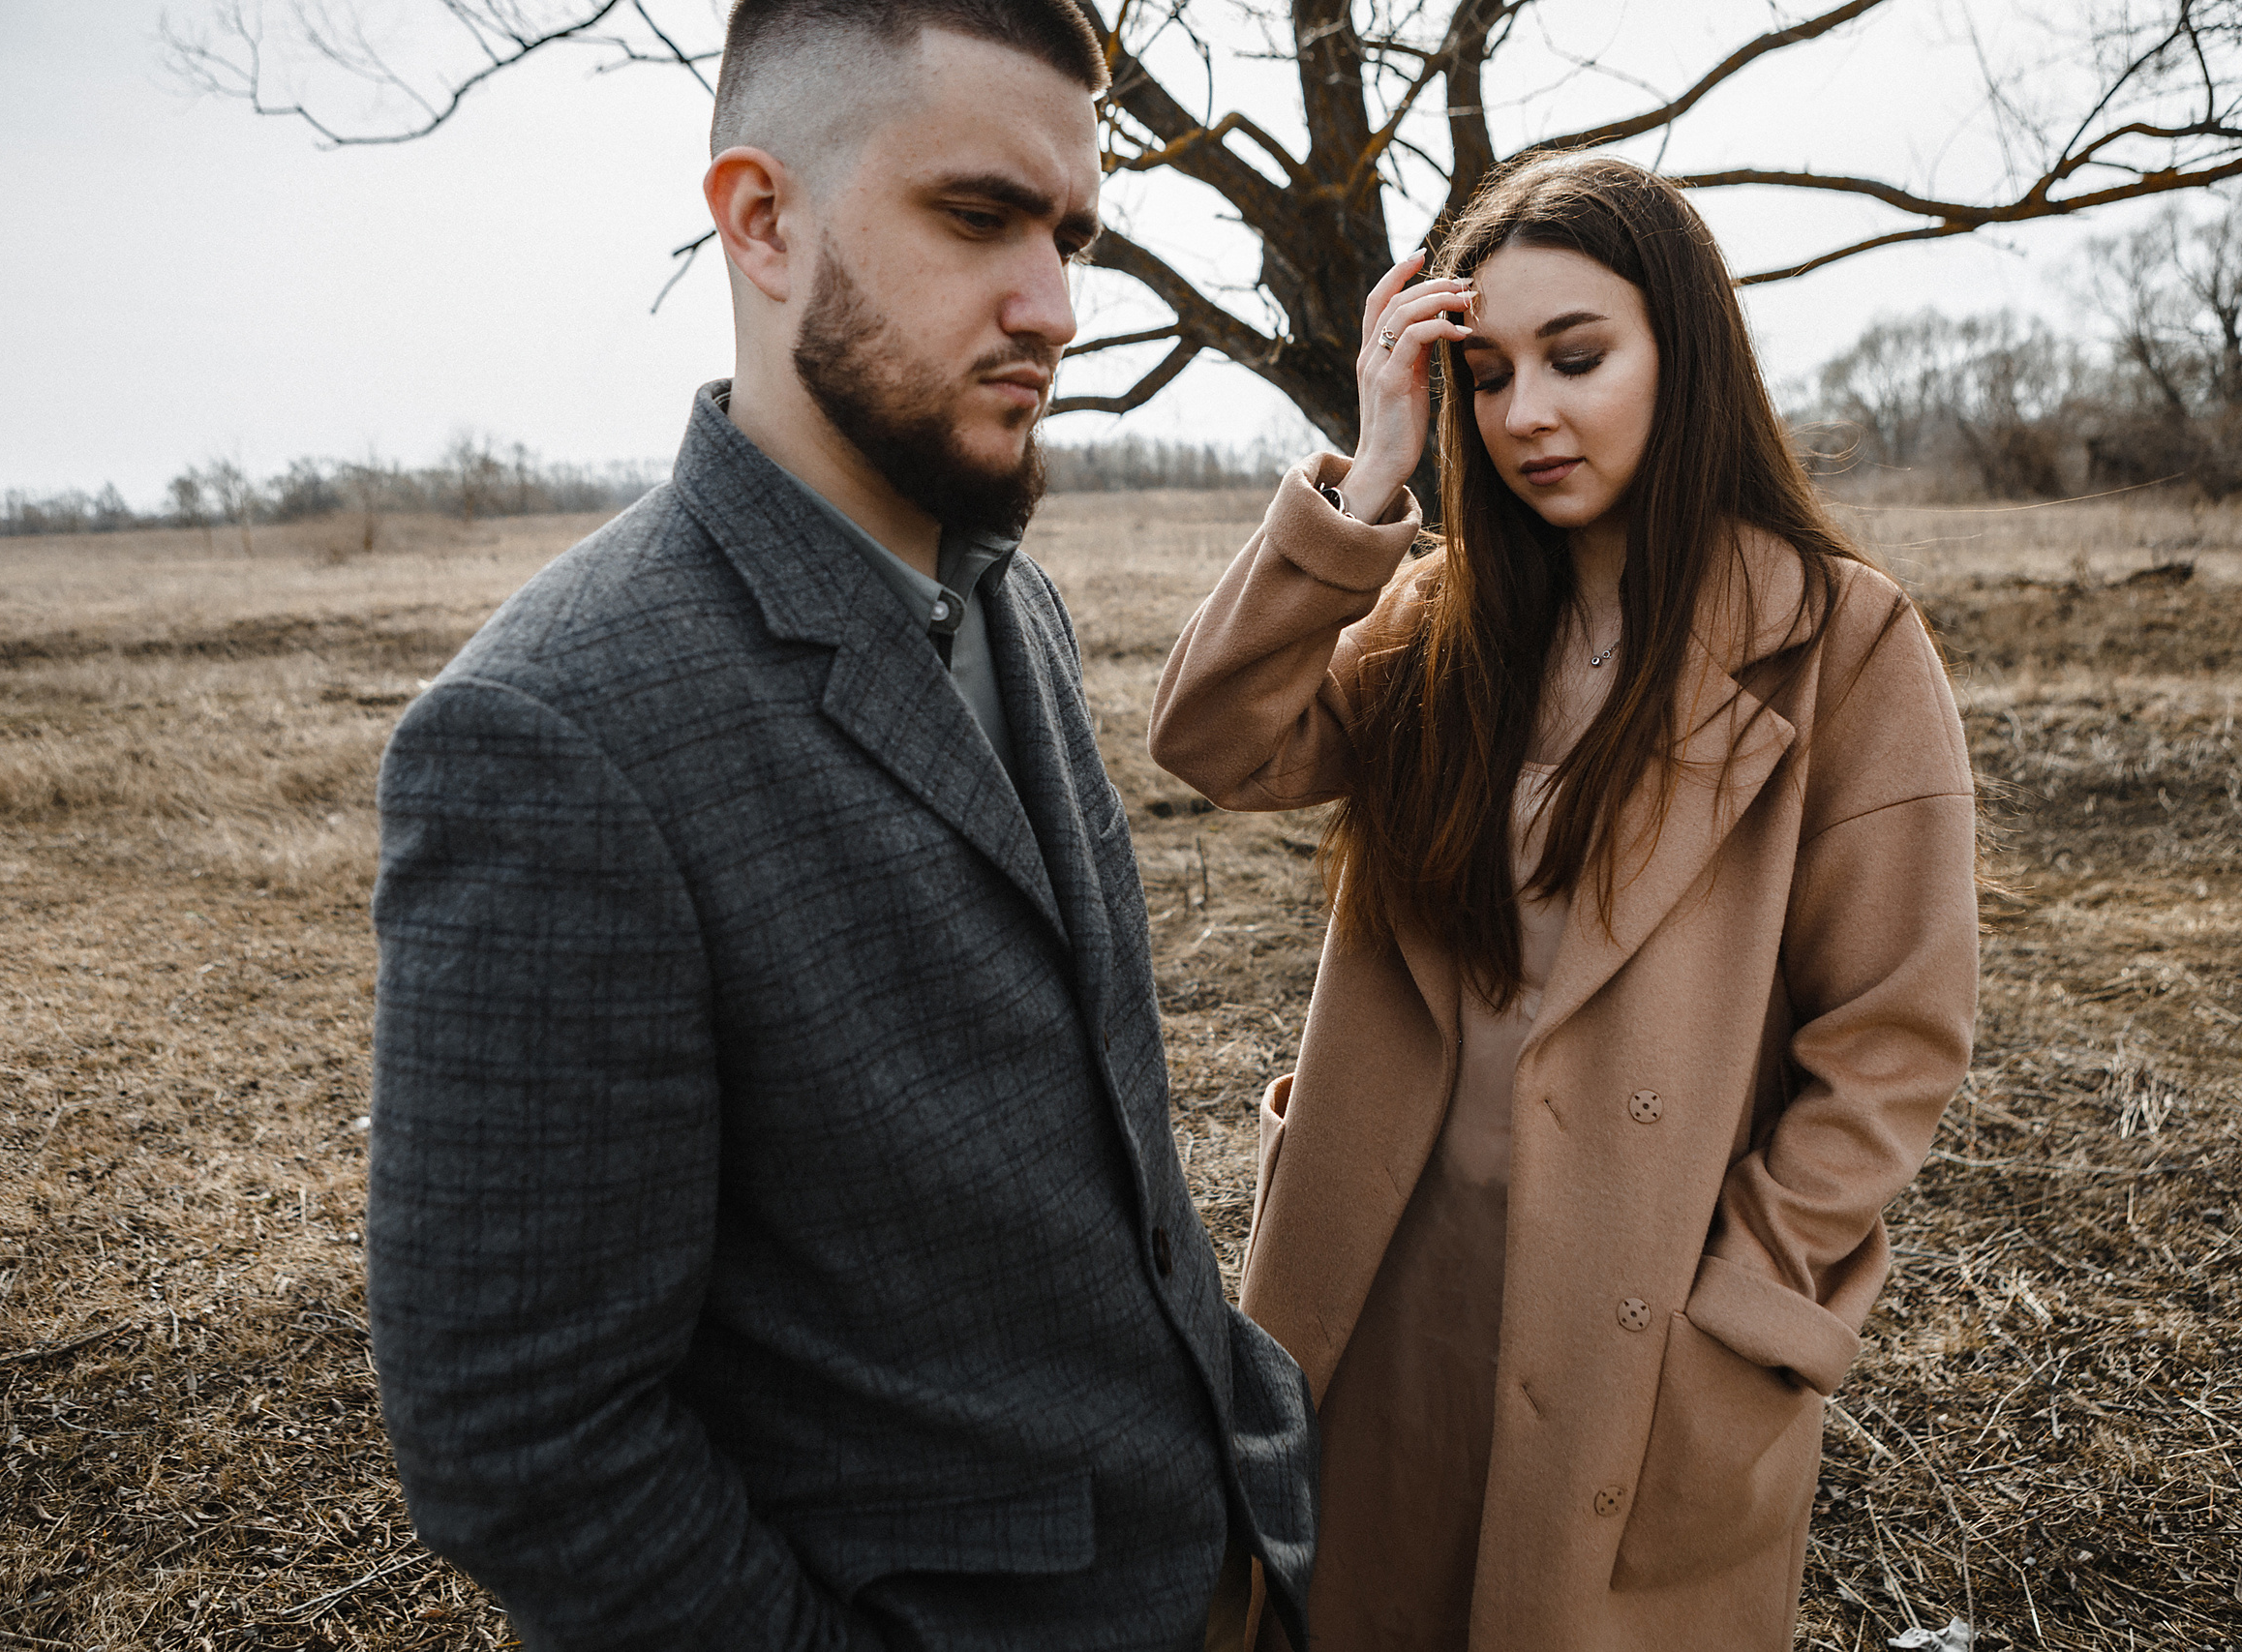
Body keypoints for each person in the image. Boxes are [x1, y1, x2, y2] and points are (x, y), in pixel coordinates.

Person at [365, 4, 1317, 1647]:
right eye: (977, 217)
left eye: (1072, 234)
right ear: (761, 219)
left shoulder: (1012, 603)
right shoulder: (549, 733)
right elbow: (525, 1444)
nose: (1054, 307)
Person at [1148, 152, 1979, 1650]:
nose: (1527, 413)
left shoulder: (1840, 643)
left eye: (1578, 358)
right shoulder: (1435, 620)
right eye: (1489, 374)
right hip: (1393, 1279)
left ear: (1685, 352)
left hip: (1644, 1317)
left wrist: (1752, 1305)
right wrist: (1371, 474)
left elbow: (1895, 1031)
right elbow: (1214, 741)